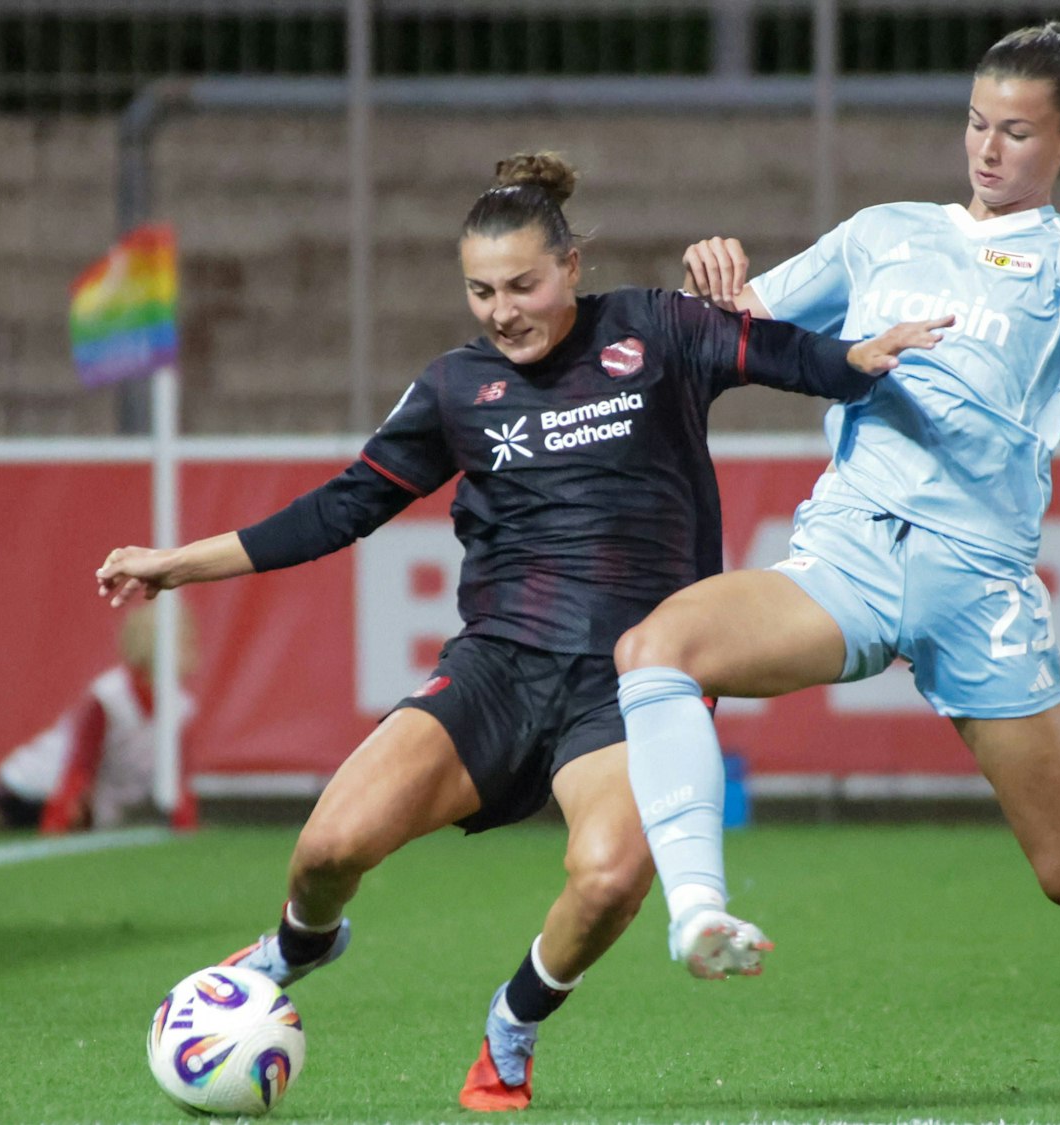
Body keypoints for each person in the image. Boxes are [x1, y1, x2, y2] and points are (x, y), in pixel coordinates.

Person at [93, 153, 943, 1111]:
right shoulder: (456, 387)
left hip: (631, 682)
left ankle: (515, 1020)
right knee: (329, 847)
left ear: (573, 266)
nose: (503, 310)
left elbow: (786, 356)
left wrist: (857, 360)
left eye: (524, 285)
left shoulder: (658, 329)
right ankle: (299, 945)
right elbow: (340, 509)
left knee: (611, 877)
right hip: (498, 666)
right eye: (482, 290)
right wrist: (178, 562)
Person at [614, 22, 1060, 982]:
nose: (990, 149)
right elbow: (734, 330)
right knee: (657, 649)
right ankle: (697, 910)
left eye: (1017, 132)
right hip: (849, 557)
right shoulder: (882, 233)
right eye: (978, 124)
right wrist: (714, 282)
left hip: (979, 588)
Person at [0, 604, 196, 835]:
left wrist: (185, 825)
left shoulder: (181, 708)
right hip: (34, 784)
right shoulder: (108, 697)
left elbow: (177, 778)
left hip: (90, 805)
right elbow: (78, 768)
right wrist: (56, 823)